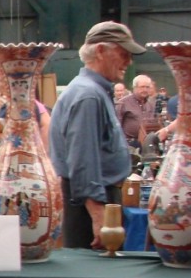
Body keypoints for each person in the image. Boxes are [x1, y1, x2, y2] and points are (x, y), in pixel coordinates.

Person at [49, 21, 144, 249]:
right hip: (91, 207)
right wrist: (99, 216)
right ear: (100, 51)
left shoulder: (92, 91)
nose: (129, 61)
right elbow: (83, 160)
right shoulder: (88, 96)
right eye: (123, 53)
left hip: (93, 200)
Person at [114, 74, 158, 148]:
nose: (145, 90)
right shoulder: (123, 103)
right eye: (142, 87)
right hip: (128, 145)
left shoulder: (150, 104)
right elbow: (116, 126)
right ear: (134, 87)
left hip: (146, 144)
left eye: (147, 87)